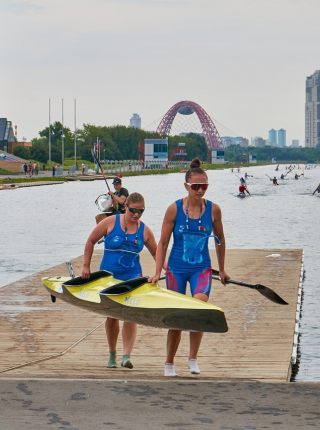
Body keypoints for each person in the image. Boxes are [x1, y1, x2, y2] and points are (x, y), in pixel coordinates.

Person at [149, 158, 229, 377]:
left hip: (201, 268)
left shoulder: (214, 210)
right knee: (176, 317)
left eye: (204, 186)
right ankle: (169, 362)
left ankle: (193, 358)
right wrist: (157, 272)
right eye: (196, 186)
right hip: (176, 269)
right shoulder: (173, 210)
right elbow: (162, 243)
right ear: (186, 186)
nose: (200, 190)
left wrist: (221, 270)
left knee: (198, 308)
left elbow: (220, 240)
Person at [82, 192, 157, 369]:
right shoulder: (110, 222)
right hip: (109, 277)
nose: (136, 215)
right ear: (125, 207)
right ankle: (112, 354)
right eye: (133, 211)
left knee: (130, 315)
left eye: (141, 211)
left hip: (132, 277)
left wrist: (163, 271)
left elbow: (156, 252)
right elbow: (91, 241)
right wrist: (86, 266)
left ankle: (126, 356)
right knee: (112, 316)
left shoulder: (145, 230)